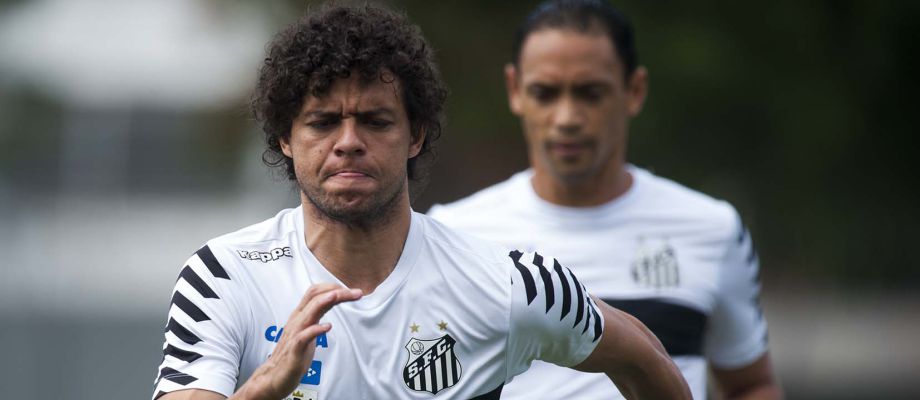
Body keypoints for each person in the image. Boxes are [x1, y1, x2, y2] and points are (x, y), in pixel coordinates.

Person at [152, 3, 691, 400]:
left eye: (375, 120)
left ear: (416, 136)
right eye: (322, 122)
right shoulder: (223, 276)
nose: (348, 141)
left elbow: (644, 356)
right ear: (285, 140)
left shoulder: (510, 284)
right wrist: (266, 386)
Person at [428, 0, 783, 399]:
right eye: (545, 93)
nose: (566, 117)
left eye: (590, 93)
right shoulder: (450, 234)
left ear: (634, 90)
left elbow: (750, 384)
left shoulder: (712, 229)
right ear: (515, 91)